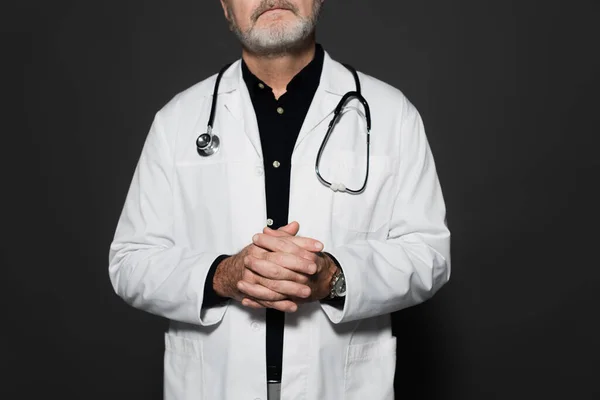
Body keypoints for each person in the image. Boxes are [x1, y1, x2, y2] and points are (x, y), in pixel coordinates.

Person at [108, 0, 451, 399]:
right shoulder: (177, 121)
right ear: (225, 8)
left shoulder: (392, 114)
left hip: (339, 384)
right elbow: (129, 260)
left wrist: (332, 276)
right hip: (214, 384)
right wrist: (223, 276)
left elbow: (429, 254)